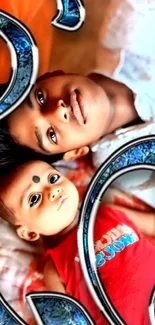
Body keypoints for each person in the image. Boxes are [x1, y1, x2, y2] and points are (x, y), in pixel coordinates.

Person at [0, 159, 155, 324]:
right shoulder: (54, 269)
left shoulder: (108, 212)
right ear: (30, 233)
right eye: (35, 198)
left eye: (53, 179)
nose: (52, 191)